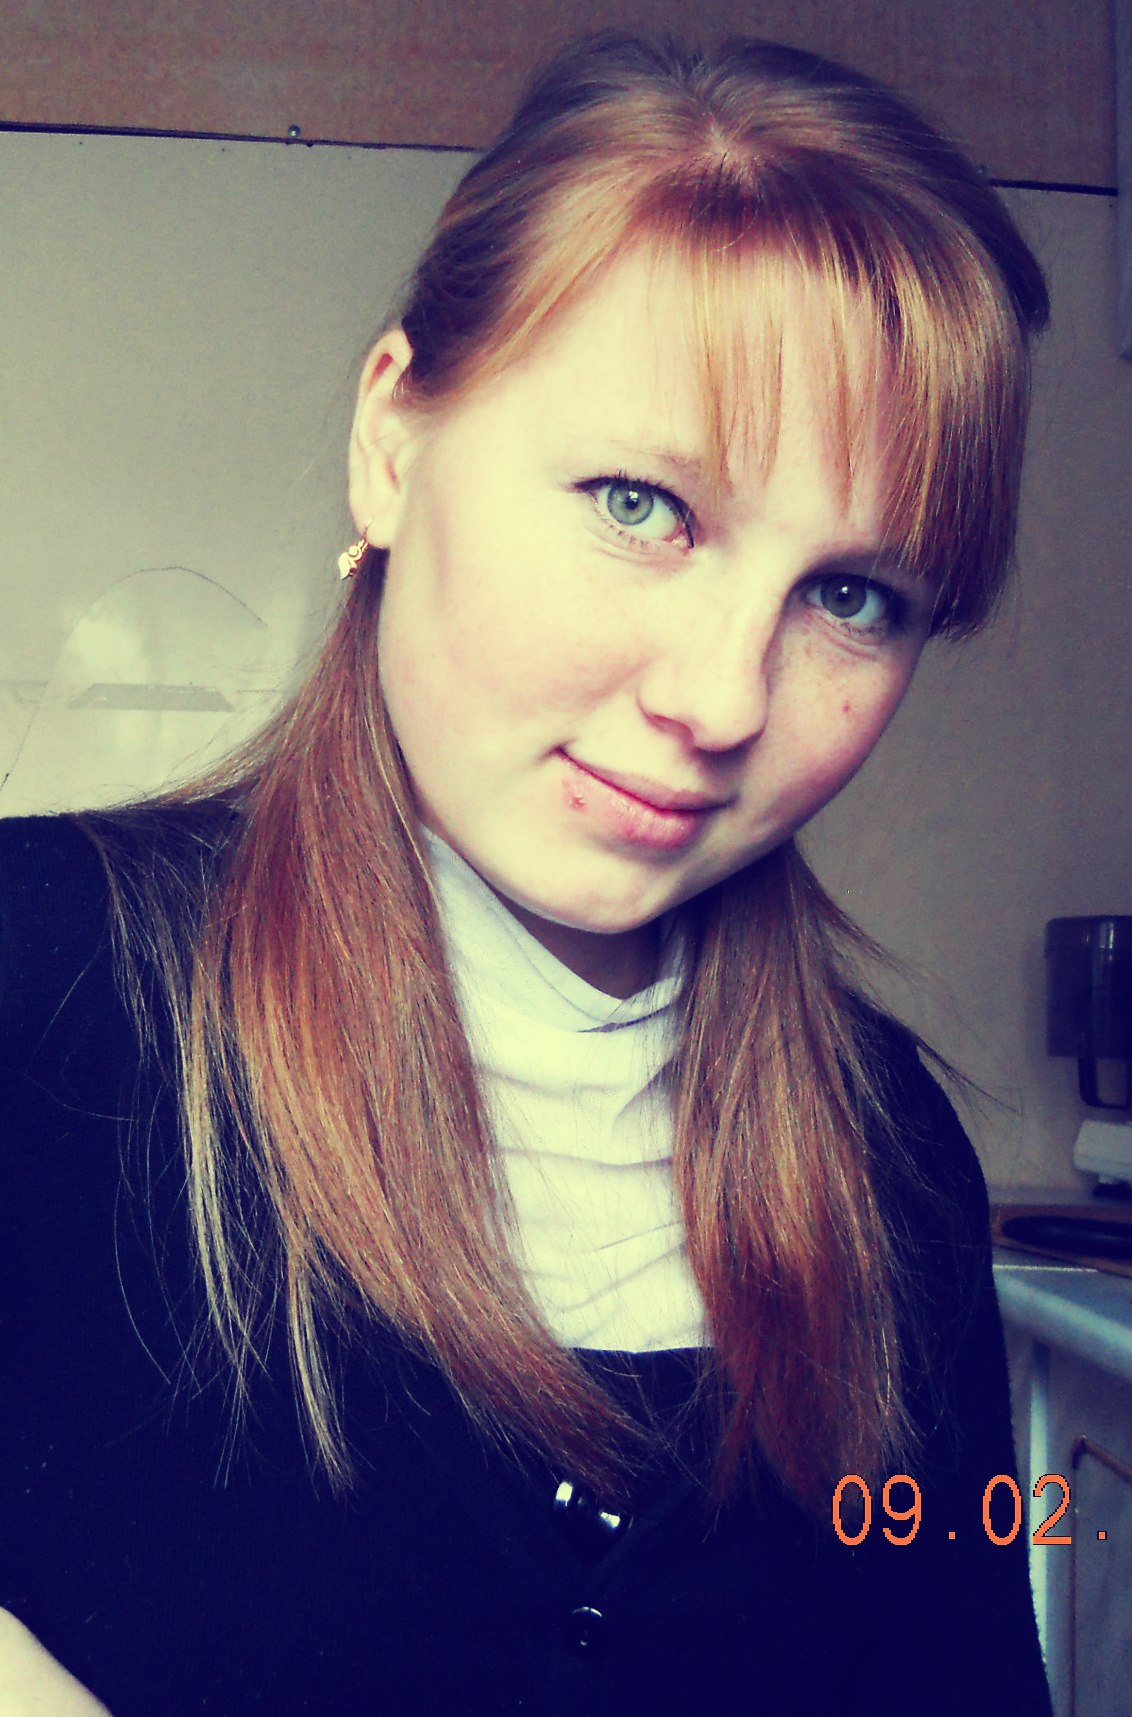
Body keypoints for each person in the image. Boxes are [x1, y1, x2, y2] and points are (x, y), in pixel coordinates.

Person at [0, 28, 1053, 1717]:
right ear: (393, 440)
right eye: (642, 504)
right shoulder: (39, 981)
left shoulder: (890, 1168)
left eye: (854, 596)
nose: (722, 698)